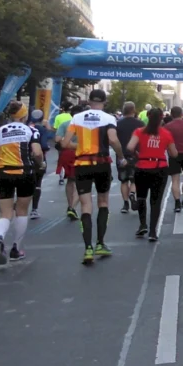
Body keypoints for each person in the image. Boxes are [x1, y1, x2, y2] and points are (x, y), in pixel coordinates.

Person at [62, 89, 129, 264]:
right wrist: (121, 157)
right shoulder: (108, 118)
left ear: (89, 102)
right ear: (104, 102)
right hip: (102, 163)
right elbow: (113, 140)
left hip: (82, 165)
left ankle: (88, 249)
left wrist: (81, 147)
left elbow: (65, 143)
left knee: (85, 205)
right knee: (103, 202)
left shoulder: (77, 118)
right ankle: (100, 243)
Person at [0, 101, 43, 263]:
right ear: (24, 115)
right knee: (22, 210)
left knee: (5, 214)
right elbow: (37, 152)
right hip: (25, 172)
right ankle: (16, 249)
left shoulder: (0, 130)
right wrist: (40, 164)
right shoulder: (31, 130)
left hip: (3, 173)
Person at [127, 108, 178, 241]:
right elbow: (174, 154)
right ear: (161, 118)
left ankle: (142, 224)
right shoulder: (166, 133)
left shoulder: (139, 131)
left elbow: (130, 147)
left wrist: (138, 154)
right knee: (156, 201)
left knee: (141, 197)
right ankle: (153, 231)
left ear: (148, 117)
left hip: (142, 167)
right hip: (160, 168)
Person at [55, 102, 84, 220]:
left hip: (67, 154)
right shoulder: (86, 126)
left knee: (70, 180)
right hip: (81, 154)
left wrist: (67, 143)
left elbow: (57, 139)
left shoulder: (65, 124)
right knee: (82, 181)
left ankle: (69, 204)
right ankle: (73, 207)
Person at [115, 102, 142, 215]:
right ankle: (132, 193)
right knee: (134, 180)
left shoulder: (117, 124)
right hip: (136, 154)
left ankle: (125, 204)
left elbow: (114, 139)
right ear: (133, 110)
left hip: (121, 155)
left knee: (124, 181)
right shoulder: (140, 123)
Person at [27, 109, 54, 219]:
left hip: (24, 159)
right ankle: (34, 210)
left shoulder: (27, 128)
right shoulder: (41, 129)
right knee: (37, 184)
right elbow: (44, 145)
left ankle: (18, 205)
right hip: (38, 158)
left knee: (25, 183)